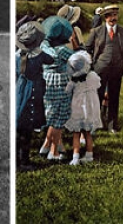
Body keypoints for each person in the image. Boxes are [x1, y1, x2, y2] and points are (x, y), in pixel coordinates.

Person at [83, 5, 123, 134]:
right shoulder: (96, 31)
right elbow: (87, 48)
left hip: (117, 70)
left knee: (114, 97)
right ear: (105, 17)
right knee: (97, 96)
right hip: (100, 70)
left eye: (115, 15)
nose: (113, 18)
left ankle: (112, 125)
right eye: (110, 15)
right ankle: (96, 123)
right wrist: (92, 65)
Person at [14, 21, 52, 172]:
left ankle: (17, 160)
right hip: (34, 91)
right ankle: (24, 160)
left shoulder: (18, 56)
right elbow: (51, 60)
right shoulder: (39, 55)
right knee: (27, 129)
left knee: (20, 126)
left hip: (20, 90)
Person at [38, 16, 75, 160]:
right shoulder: (62, 51)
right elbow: (77, 59)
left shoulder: (43, 47)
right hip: (61, 81)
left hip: (46, 80)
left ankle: (47, 144)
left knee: (51, 113)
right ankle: (53, 151)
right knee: (59, 116)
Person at [64, 50, 101, 166]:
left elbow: (67, 92)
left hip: (78, 109)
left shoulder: (73, 82)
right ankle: (89, 154)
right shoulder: (93, 76)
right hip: (90, 109)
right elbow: (98, 85)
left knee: (76, 133)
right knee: (87, 133)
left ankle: (75, 157)